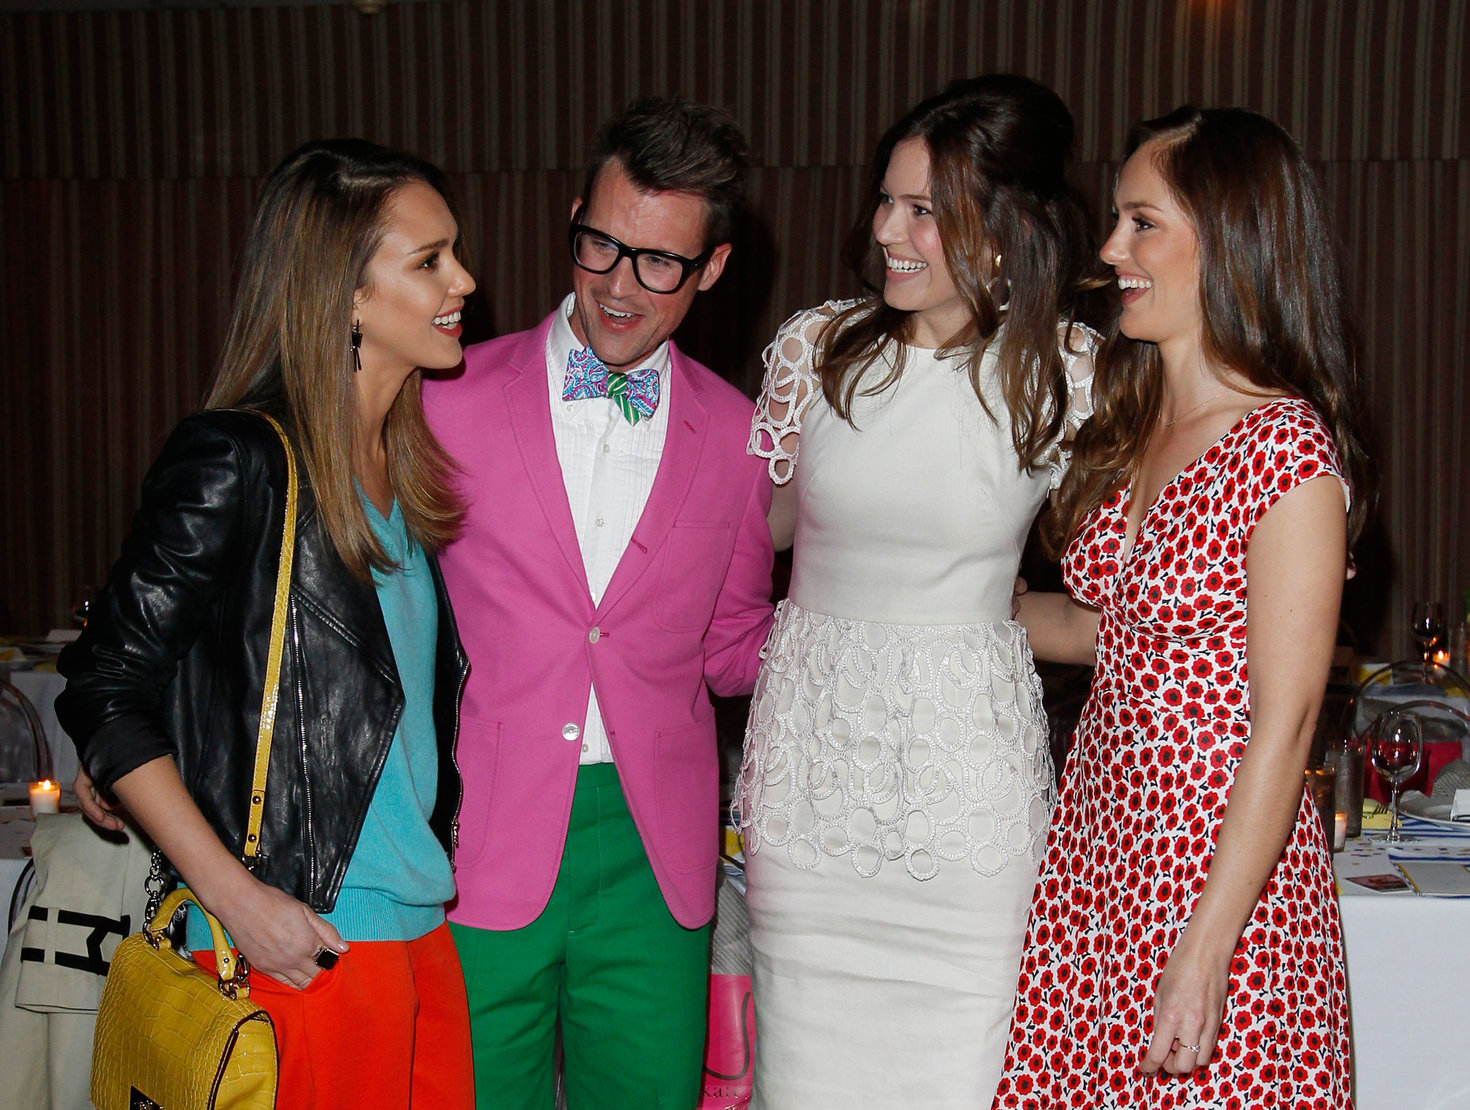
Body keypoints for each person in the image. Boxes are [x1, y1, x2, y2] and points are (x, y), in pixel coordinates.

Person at [56, 139, 478, 1110]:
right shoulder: (238, 457)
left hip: (414, 931)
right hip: (303, 943)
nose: (464, 280)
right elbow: (104, 683)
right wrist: (239, 905)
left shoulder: (396, 483)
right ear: (347, 295)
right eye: (429, 261)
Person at [733, 75, 1103, 1108]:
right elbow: (742, 543)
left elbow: (1117, 589)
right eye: (887, 201)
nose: (889, 229)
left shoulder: (1070, 374)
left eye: (925, 210)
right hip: (811, 795)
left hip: (969, 811)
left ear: (1002, 231)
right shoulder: (820, 351)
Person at [991, 107, 1371, 1108]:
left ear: (1228, 237)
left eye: (1141, 221)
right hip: (1100, 853)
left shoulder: (1286, 450)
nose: (1111, 248)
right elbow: (1109, 635)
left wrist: (1206, 949)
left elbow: (1284, 727)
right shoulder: (1131, 417)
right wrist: (937, 592)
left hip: (1214, 872)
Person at [421, 98, 775, 1109]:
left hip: (653, 860)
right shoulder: (443, 401)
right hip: (474, 841)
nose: (620, 287)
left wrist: (851, 623)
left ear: (711, 268)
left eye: (660, 262)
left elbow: (729, 649)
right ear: (575, 216)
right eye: (601, 246)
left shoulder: (742, 434)